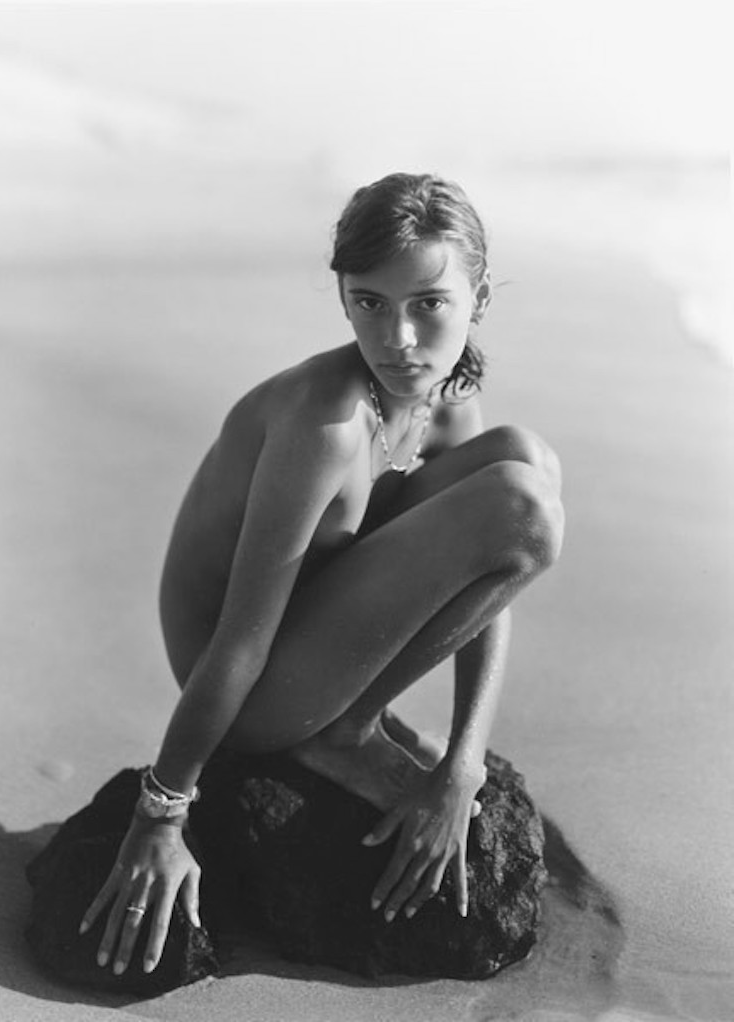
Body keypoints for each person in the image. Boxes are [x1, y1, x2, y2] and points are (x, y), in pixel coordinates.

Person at [79, 172, 564, 977]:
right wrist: (162, 814)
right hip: (250, 687)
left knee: (525, 462)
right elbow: (238, 641)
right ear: (343, 296)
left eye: (428, 304)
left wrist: (463, 766)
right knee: (524, 502)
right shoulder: (324, 424)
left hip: (320, 642)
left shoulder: (443, 399)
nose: (398, 337)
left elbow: (489, 578)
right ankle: (344, 730)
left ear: (478, 298)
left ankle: (352, 716)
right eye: (369, 301)